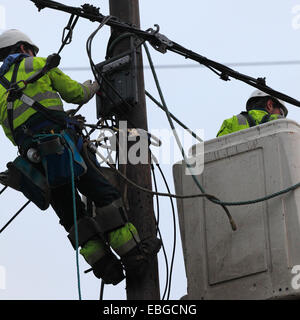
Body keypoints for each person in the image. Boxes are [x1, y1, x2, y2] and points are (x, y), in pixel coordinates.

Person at [0, 29, 161, 285]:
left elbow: (12, 132)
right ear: (23, 48)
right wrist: (96, 84)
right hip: (63, 147)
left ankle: (106, 268)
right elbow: (76, 94)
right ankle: (133, 255)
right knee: (103, 195)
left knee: (71, 216)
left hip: (35, 161)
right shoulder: (38, 64)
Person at [217, 90, 288, 137]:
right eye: (281, 112)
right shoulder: (280, 122)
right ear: (270, 104)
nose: (282, 116)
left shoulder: (230, 122)